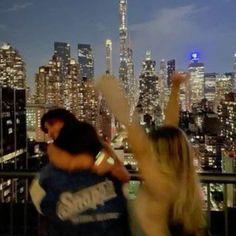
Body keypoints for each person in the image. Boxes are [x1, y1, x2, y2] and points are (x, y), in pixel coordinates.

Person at [96, 73, 206, 236]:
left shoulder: (160, 189)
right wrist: (175, 88)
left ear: (158, 156)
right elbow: (171, 126)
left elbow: (142, 152)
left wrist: (121, 108)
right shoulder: (183, 189)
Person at [30, 109, 131, 236]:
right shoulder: (103, 159)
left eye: (50, 126)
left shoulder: (48, 175)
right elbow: (127, 182)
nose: (49, 134)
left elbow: (41, 205)